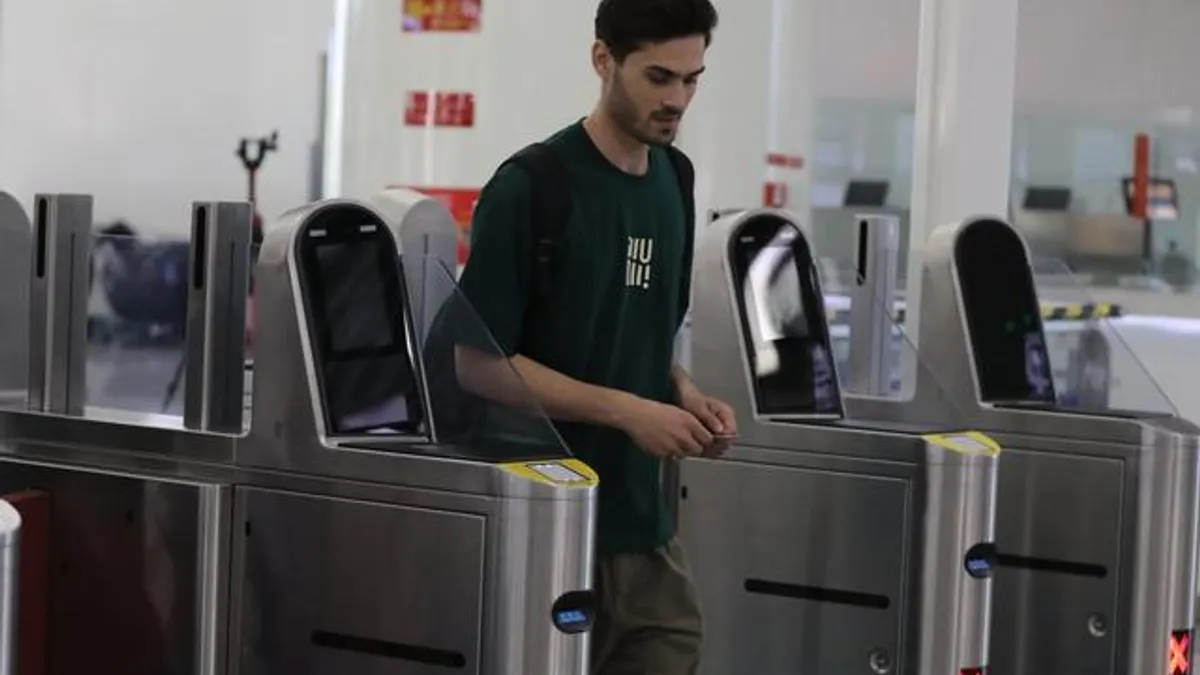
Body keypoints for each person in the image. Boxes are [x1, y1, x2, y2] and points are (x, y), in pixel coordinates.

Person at [455, 0, 733, 672]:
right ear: (603, 59)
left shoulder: (676, 179)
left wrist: (684, 394)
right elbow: (476, 364)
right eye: (659, 77)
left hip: (646, 536)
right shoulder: (533, 186)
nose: (677, 100)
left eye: (692, 79)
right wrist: (629, 410)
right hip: (546, 528)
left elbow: (640, 332)